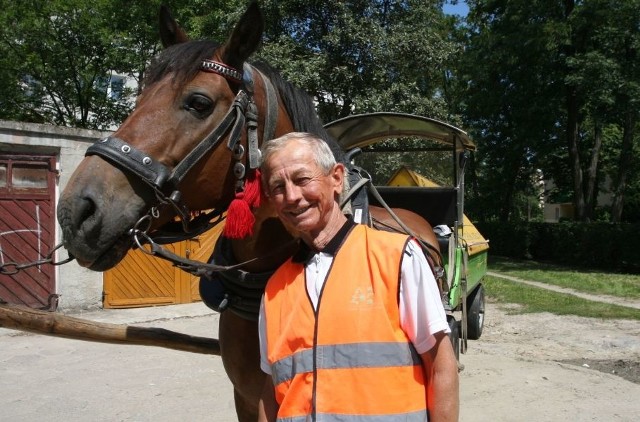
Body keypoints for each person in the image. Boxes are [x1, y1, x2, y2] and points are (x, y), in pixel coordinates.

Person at [257, 132, 459, 422]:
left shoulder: (397, 257)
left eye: (302, 180)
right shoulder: (275, 288)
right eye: (278, 186)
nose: (291, 196)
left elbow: (441, 366)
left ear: (337, 178)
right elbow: (270, 387)